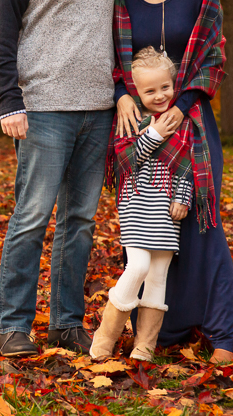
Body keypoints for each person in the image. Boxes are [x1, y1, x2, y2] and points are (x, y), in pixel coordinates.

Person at [0, 0, 116, 358]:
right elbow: (0, 35)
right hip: (42, 112)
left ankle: (65, 324)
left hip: (98, 112)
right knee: (32, 217)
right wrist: (8, 101)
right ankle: (15, 325)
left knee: (80, 221)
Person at [109, 0, 233, 363]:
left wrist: (183, 107)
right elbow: (111, 55)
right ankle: (166, 330)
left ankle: (225, 332)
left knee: (201, 223)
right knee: (148, 230)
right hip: (138, 129)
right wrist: (123, 95)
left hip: (192, 124)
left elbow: (213, 57)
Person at [90, 47, 191, 361]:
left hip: (166, 211)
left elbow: (186, 166)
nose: (159, 96)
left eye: (165, 87)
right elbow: (124, 162)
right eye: (150, 90)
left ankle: (144, 346)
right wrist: (154, 134)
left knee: (158, 275)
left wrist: (182, 197)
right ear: (136, 91)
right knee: (138, 266)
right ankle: (105, 338)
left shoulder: (180, 121)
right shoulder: (130, 120)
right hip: (137, 206)